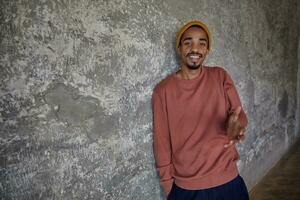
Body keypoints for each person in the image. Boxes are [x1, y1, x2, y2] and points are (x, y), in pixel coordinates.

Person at [151, 20, 249, 200]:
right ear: (179, 48)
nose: (195, 49)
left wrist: (236, 126)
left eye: (201, 44)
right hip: (186, 188)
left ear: (207, 50)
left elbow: (239, 115)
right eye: (188, 43)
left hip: (228, 181)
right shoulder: (163, 91)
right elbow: (161, 142)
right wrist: (168, 186)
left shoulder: (220, 76)